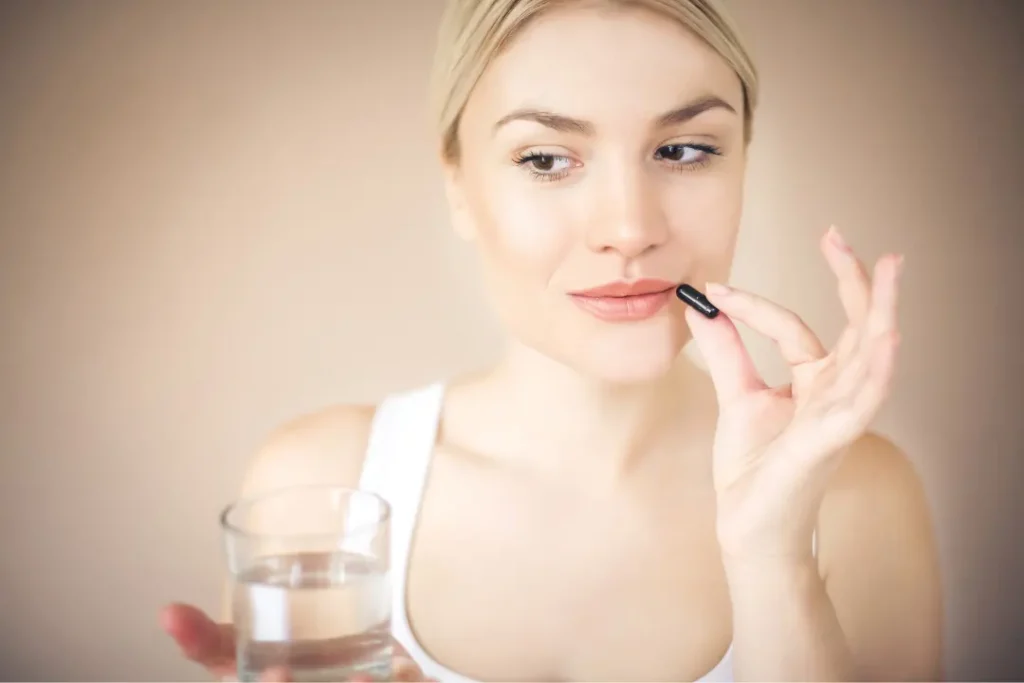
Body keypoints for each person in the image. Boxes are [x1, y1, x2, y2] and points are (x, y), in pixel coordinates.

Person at [161, 0, 944, 680]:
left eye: (684, 149)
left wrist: (776, 564)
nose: (630, 229)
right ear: (458, 186)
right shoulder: (319, 495)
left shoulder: (856, 498)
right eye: (545, 159)